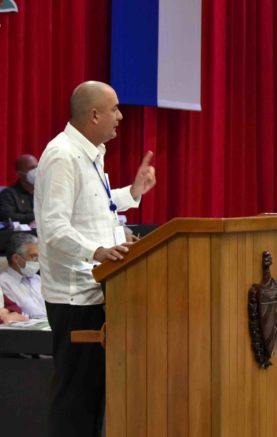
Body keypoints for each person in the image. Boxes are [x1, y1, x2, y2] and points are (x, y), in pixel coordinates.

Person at [36, 81, 156, 437]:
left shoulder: (90, 153)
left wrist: (132, 193)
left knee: (91, 398)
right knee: (75, 399)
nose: (120, 116)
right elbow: (54, 226)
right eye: (115, 109)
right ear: (93, 115)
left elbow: (93, 208)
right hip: (74, 297)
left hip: (96, 288)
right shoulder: (62, 156)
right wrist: (98, 251)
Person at [0, 233, 45, 317]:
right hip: (27, 328)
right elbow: (15, 314)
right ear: (16, 258)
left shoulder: (37, 279)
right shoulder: (3, 283)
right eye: (33, 257)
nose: (37, 262)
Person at [0, 154, 38, 224]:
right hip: (21, 233)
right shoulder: (9, 194)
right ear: (19, 174)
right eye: (31, 168)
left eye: (37, 167)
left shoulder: (44, 192)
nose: (36, 171)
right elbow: (8, 217)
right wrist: (37, 216)